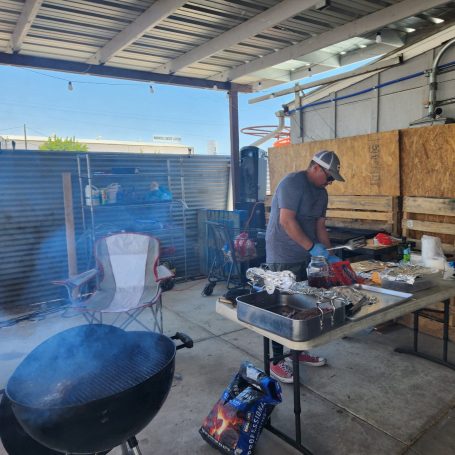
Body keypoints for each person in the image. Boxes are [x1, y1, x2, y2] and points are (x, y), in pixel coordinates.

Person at [265, 150, 345, 383]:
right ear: (315, 168)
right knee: (281, 308)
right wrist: (312, 248)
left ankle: (297, 352)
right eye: (329, 177)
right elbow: (286, 221)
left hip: (307, 255)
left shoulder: (322, 194)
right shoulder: (292, 183)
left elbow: (320, 227)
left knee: (303, 306)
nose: (330, 182)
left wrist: (330, 256)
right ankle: (276, 361)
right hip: (283, 254)